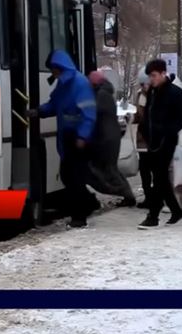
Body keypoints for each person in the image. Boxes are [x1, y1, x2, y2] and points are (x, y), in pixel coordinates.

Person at [27, 50, 98, 229]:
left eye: (53, 69)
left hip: (78, 138)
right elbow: (54, 104)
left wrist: (83, 135)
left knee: (74, 177)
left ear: (59, 68)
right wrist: (39, 112)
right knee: (68, 175)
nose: (53, 73)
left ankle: (79, 216)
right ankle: (87, 204)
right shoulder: (63, 84)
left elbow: (89, 113)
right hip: (68, 137)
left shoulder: (79, 84)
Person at [138, 59, 182, 229]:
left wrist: (168, 130)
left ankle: (153, 215)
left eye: (154, 76)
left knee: (159, 178)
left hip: (166, 141)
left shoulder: (174, 92)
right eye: (150, 76)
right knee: (160, 178)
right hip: (153, 140)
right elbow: (149, 114)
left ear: (163, 73)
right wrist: (145, 130)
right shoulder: (153, 91)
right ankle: (176, 210)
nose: (151, 79)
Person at [86, 71, 137, 207]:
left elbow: (92, 110)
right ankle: (127, 194)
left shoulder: (102, 95)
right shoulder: (106, 93)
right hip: (109, 136)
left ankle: (126, 194)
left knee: (109, 169)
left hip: (107, 138)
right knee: (110, 168)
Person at [133, 69, 154, 210]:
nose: (143, 87)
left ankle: (157, 197)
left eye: (145, 84)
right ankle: (148, 197)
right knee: (144, 170)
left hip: (155, 139)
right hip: (142, 139)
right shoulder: (139, 96)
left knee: (157, 171)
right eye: (141, 84)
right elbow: (137, 115)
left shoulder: (158, 95)